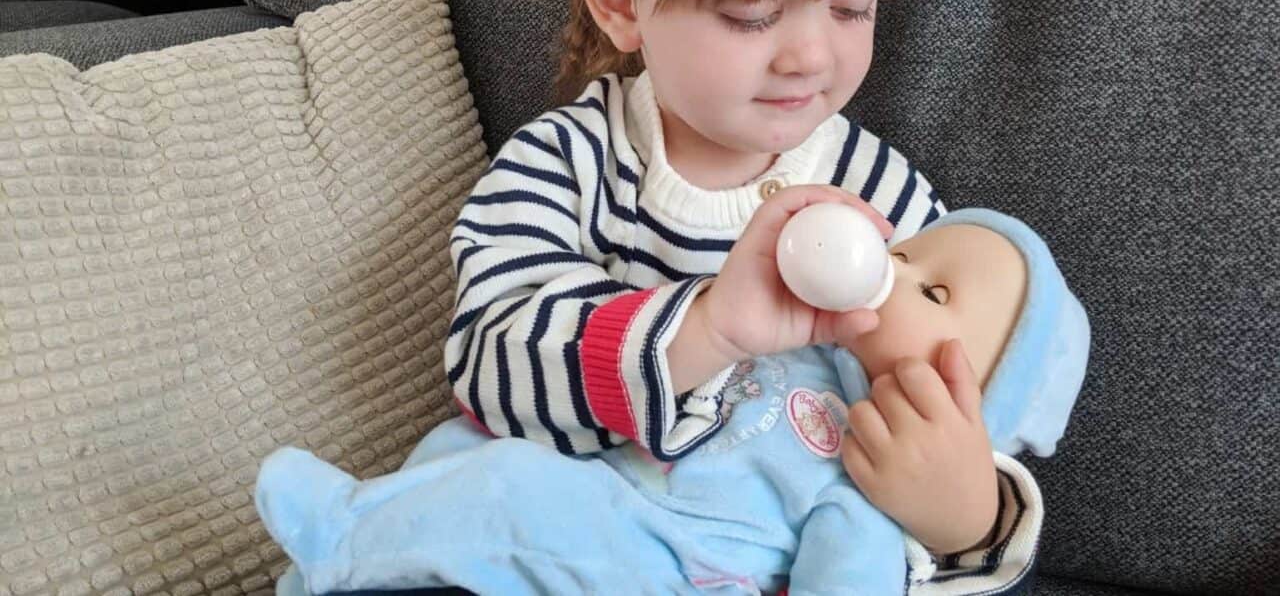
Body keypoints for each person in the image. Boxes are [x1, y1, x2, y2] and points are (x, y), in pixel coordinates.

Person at [259, 0, 1062, 591]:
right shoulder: (568, 163)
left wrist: (972, 515)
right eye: (752, 13)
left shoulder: (886, 201)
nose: (810, 54)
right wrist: (705, 329)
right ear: (621, 1)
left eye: (851, 5)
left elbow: (968, 383)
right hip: (546, 543)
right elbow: (490, 367)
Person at [255, 209, 1091, 595]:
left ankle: (345, 534)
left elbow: (880, 570)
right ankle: (367, 562)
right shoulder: (798, 337)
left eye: (933, 292)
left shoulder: (878, 500)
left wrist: (958, 512)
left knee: (518, 496)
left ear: (975, 401)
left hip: (679, 567)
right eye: (905, 249)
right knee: (462, 453)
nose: (891, 264)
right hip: (620, 485)